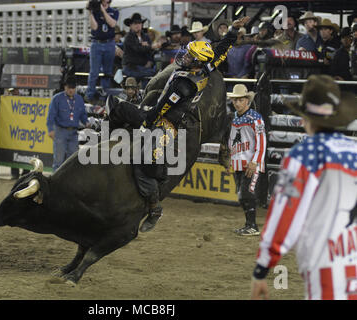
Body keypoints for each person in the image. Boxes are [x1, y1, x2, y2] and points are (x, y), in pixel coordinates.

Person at [106, 16, 251, 232]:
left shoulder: (182, 86)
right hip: (166, 116)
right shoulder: (205, 68)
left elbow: (157, 113)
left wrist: (143, 118)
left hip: (166, 123)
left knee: (142, 160)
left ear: (196, 61)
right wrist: (232, 31)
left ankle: (154, 206)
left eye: (190, 55)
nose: (185, 56)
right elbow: (221, 49)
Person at [250, 74, 357, 300]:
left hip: (327, 266)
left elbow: (285, 215)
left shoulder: (303, 156)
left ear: (305, 118)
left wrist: (262, 267)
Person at [227, 84, 266, 236]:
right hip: (239, 162)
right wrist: (231, 159)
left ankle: (253, 226)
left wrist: (255, 161)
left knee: (246, 194)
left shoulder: (255, 118)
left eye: (240, 100)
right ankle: (249, 225)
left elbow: (262, 141)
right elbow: (232, 141)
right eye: (235, 100)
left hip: (251, 163)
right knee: (242, 195)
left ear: (247, 101)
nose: (237, 103)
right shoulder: (234, 118)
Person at [47, 76, 90, 172]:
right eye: (69, 87)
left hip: (74, 133)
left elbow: (82, 114)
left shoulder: (79, 99)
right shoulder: (57, 99)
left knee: (72, 161)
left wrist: (86, 122)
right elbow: (51, 116)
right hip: (60, 132)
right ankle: (56, 184)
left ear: (75, 88)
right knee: (58, 160)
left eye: (73, 88)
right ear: (65, 87)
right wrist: (50, 130)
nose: (71, 90)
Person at [85, 0, 119, 104]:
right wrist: (90, 12)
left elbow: (112, 24)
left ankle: (105, 94)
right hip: (97, 43)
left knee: (107, 71)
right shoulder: (95, 11)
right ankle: (90, 94)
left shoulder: (114, 11)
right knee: (94, 71)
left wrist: (103, 11)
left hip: (109, 43)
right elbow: (94, 27)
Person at [122, 13, 156, 88]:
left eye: (139, 23)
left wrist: (150, 61)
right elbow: (137, 49)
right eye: (135, 23)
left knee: (151, 73)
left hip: (143, 67)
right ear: (130, 25)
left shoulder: (146, 36)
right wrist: (148, 47)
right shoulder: (129, 37)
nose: (138, 25)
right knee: (152, 73)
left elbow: (150, 51)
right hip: (131, 67)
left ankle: (144, 94)